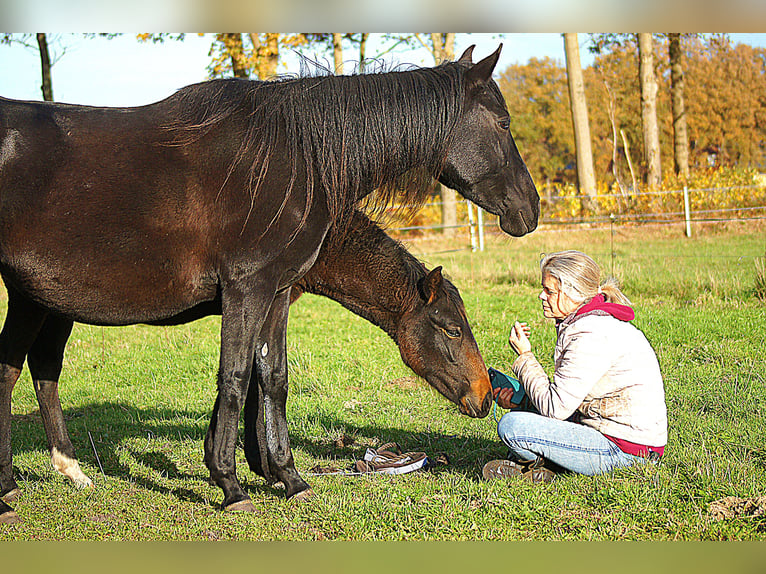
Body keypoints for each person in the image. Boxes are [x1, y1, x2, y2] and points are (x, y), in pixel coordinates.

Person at [482, 250, 667, 482]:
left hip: (625, 450)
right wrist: (523, 401)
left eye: (549, 291)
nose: (541, 296)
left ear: (573, 293)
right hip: (610, 432)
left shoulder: (591, 335)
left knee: (512, 426)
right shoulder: (588, 324)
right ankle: (548, 464)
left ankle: (546, 463)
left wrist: (525, 356)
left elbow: (556, 409)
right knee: (522, 411)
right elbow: (568, 399)